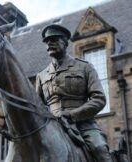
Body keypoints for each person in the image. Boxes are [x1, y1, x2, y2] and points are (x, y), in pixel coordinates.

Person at [35, 24, 113, 162]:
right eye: (47, 41)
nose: (49, 43)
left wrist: (72, 115)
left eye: (54, 39)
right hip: (52, 127)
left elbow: (99, 99)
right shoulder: (41, 76)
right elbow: (36, 106)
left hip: (83, 125)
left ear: (65, 42)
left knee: (100, 149)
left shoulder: (85, 67)